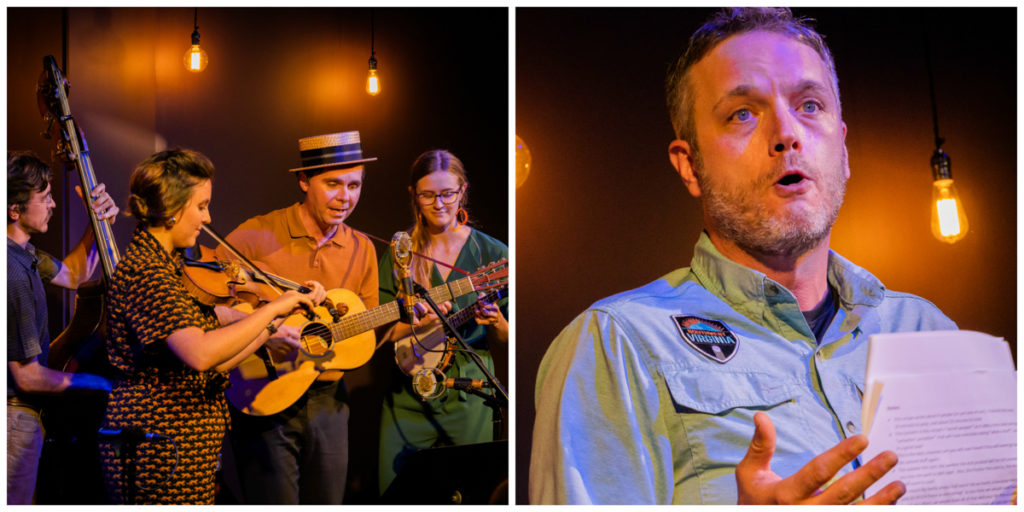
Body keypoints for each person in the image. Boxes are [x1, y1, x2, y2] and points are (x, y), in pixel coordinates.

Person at [529, 8, 957, 505]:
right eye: (743, 114)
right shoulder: (616, 345)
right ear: (689, 166)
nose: (787, 134)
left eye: (810, 105)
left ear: (843, 150)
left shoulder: (927, 330)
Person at [98, 149, 323, 504]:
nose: (208, 217)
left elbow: (219, 361)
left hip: (183, 441)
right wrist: (273, 308)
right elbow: (201, 354)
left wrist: (274, 321)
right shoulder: (147, 271)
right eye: (201, 206)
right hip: (156, 442)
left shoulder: (169, 266)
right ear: (171, 208)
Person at [216, 130, 379, 504]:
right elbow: (205, 309)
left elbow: (366, 325)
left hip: (329, 401)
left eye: (354, 185)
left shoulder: (363, 249)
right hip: (262, 390)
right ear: (304, 181)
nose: (345, 197)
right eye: (333, 184)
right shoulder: (256, 234)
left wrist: (413, 317)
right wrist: (264, 329)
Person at [376, 149, 508, 496]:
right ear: (413, 195)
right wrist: (419, 325)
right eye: (428, 195)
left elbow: (513, 337)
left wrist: (496, 322)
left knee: (471, 491)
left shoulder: (492, 254)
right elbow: (380, 332)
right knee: (397, 494)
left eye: (448, 193)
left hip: (469, 394)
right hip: (409, 393)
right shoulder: (401, 253)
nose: (439, 204)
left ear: (463, 191)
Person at [7, 150, 116, 504]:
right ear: (15, 210)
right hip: (13, 419)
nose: (53, 204)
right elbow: (27, 377)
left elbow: (74, 275)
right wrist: (100, 383)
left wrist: (97, 222)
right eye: (45, 198)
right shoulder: (12, 271)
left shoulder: (24, 255)